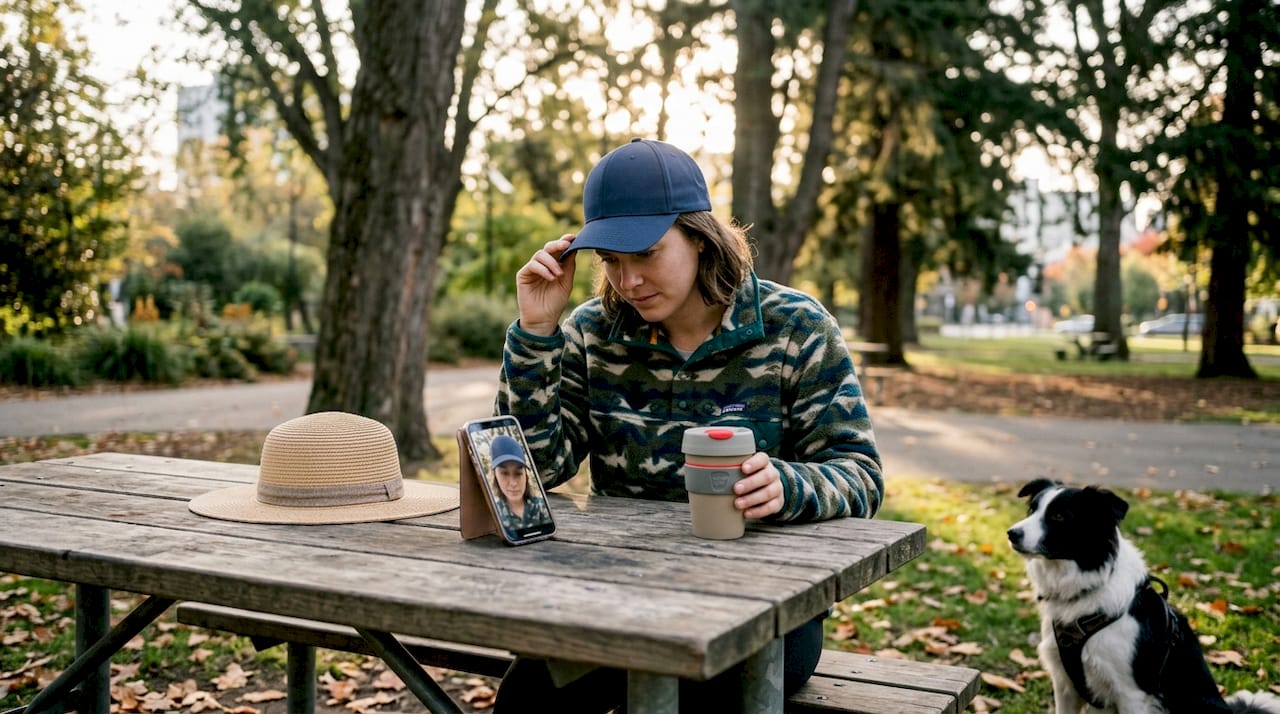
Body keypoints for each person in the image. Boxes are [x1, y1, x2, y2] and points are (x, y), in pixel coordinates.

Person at [493, 138, 884, 712]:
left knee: (691, 695)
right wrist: (535, 334)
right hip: (618, 594)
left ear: (700, 238)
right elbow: (536, 472)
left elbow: (862, 476)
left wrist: (788, 484)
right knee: (527, 701)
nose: (627, 282)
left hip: (764, 610)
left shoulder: (795, 327)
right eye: (612, 261)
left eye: (645, 254)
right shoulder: (589, 332)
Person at [488, 433, 551, 534]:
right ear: (495, 476)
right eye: (504, 473)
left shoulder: (540, 506)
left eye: (518, 473)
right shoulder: (493, 513)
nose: (513, 483)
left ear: (525, 475)